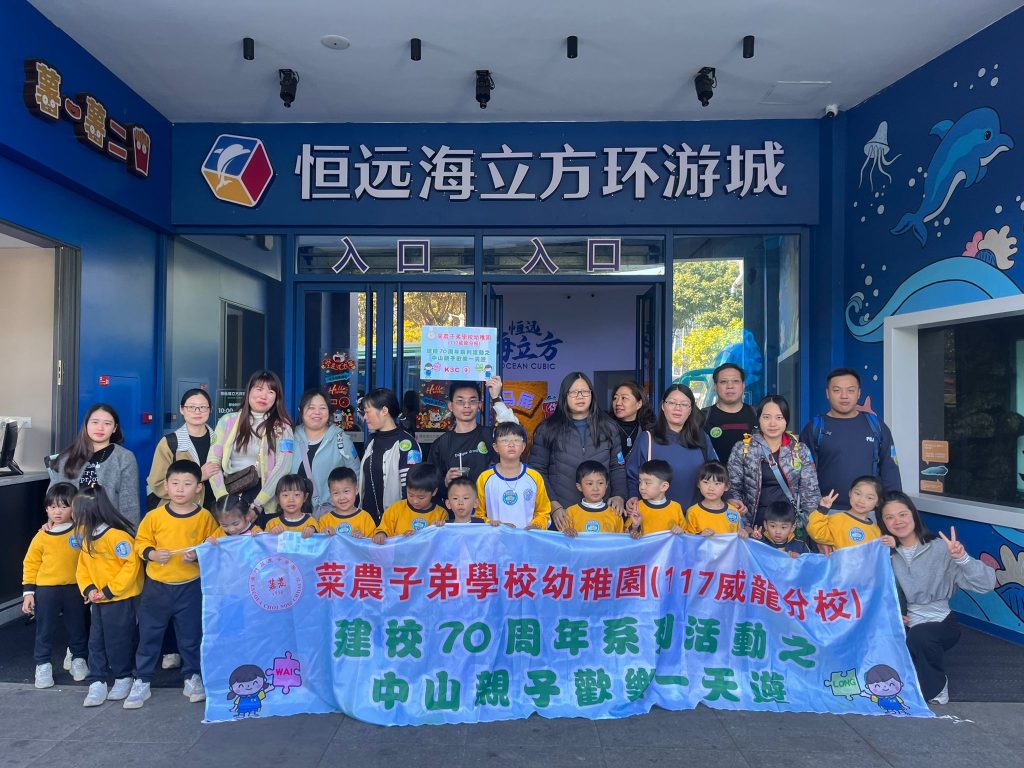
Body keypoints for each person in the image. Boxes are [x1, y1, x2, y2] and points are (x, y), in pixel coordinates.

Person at [879, 492, 996, 704]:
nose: (897, 521)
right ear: (883, 523)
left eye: (902, 514)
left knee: (920, 637)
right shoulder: (884, 553)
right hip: (903, 622)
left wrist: (962, 558)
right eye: (889, 517)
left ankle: (937, 687)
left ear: (913, 514)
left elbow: (986, 584)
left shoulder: (941, 548)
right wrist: (892, 613)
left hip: (941, 622)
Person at [124, 460, 219, 710]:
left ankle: (192, 677)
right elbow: (140, 542)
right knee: (149, 634)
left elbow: (214, 543)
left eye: (187, 484)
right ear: (165, 486)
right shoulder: (154, 516)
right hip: (157, 587)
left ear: (199, 488)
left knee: (191, 636)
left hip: (190, 586)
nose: (180, 489)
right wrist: (153, 554)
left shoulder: (204, 517)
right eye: (175, 483)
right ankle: (142, 679)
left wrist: (198, 555)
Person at [73, 485, 143, 708]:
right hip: (98, 601)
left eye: (76, 510)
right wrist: (89, 589)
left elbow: (131, 566)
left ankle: (123, 677)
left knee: (119, 640)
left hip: (119, 600)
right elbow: (82, 568)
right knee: (96, 641)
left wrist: (110, 590)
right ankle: (98, 680)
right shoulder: (87, 538)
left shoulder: (117, 537)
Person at [533, 372, 626, 527]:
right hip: (563, 513)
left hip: (601, 512)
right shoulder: (547, 429)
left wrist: (619, 496)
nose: (580, 396)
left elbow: (617, 467)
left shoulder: (608, 426)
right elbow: (537, 470)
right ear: (564, 396)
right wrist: (553, 505)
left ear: (592, 395)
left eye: (585, 391)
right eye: (574, 392)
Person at [799, 368, 901, 509]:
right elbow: (803, 476)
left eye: (851, 390)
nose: (844, 396)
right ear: (827, 393)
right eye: (837, 390)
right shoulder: (814, 428)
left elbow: (890, 471)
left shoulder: (876, 426)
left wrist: (894, 507)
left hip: (869, 513)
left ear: (859, 393)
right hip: (828, 512)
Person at [22, 482, 88, 688]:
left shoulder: (82, 531)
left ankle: (79, 659)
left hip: (75, 588)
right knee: (45, 629)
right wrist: (28, 592)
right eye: (52, 507)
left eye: (63, 506)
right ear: (46, 509)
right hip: (47, 590)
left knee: (78, 627)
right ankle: (43, 664)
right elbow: (30, 563)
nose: (57, 512)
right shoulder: (42, 536)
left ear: (74, 507)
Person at [727, 394, 820, 531]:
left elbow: (810, 493)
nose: (772, 423)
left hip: (789, 528)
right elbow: (733, 490)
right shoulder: (742, 449)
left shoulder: (799, 450)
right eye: (766, 417)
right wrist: (744, 525)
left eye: (779, 417)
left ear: (786, 420)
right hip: (753, 528)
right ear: (759, 419)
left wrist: (804, 527)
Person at [209, 370, 295, 517]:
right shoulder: (227, 421)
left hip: (265, 498)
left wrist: (258, 504)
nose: (264, 396)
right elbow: (213, 462)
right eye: (259, 389)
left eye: (271, 392)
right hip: (231, 492)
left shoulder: (283, 427)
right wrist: (223, 498)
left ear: (277, 397)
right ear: (249, 391)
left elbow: (283, 467)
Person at [626, 384, 718, 515]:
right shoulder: (647, 438)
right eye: (672, 402)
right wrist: (633, 496)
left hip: (695, 517)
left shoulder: (701, 438)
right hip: (656, 516)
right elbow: (632, 475)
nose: (677, 408)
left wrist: (730, 497)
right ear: (663, 406)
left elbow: (716, 473)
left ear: (691, 409)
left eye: (684, 404)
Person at [48, 403, 140, 524]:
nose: (100, 428)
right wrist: (52, 522)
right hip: (70, 528)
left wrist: (129, 533)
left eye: (107, 423)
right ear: (86, 425)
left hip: (109, 528)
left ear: (114, 428)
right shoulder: (66, 458)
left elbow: (129, 504)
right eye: (95, 422)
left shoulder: (124, 458)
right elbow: (53, 497)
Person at [429, 377, 518, 496]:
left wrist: (496, 398)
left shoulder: (491, 435)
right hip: (459, 507)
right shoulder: (441, 444)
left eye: (472, 401)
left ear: (479, 405)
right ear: (450, 406)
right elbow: (430, 485)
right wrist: (445, 481)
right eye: (460, 401)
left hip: (491, 505)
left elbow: (515, 431)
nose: (467, 405)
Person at [358, 388, 422, 524]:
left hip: (394, 523)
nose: (365, 417)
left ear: (384, 411)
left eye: (368, 412)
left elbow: (410, 489)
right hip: (367, 522)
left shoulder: (406, 444)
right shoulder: (371, 440)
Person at [292, 389, 360, 517]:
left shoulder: (341, 439)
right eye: (311, 408)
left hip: (330, 516)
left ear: (329, 412)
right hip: (294, 515)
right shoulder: (290, 437)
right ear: (301, 411)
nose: (317, 412)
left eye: (322, 408)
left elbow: (357, 476)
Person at [146, 388, 216, 512]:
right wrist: (198, 476)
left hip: (216, 512)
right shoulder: (169, 443)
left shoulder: (220, 440)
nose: (197, 411)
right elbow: (157, 484)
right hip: (180, 514)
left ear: (210, 410)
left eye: (203, 407)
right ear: (182, 409)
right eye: (191, 407)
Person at [477, 422, 551, 529]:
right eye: (505, 440)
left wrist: (537, 525)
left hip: (526, 538)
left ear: (523, 446)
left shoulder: (535, 477)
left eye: (516, 440)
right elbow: (478, 515)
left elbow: (544, 513)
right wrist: (495, 524)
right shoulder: (485, 478)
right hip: (495, 538)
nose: (511, 444)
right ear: (495, 447)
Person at [808, 476, 894, 552]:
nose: (861, 500)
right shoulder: (837, 519)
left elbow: (879, 555)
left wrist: (890, 544)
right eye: (858, 493)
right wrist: (822, 510)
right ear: (850, 493)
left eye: (869, 498)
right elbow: (817, 534)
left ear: (878, 502)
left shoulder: (876, 530)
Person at [372, 463, 446, 543]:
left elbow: (443, 541)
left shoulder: (441, 514)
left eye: (421, 497)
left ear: (434, 492)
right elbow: (383, 529)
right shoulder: (396, 509)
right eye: (411, 495)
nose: (415, 501)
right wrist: (381, 534)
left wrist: (435, 529)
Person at [702, 363, 758, 463]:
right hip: (714, 473)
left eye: (735, 381)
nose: (730, 386)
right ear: (715, 386)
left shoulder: (758, 415)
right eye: (723, 382)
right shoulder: (702, 417)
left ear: (743, 385)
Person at [684, 461, 748, 537]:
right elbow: (688, 539)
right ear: (698, 484)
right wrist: (700, 535)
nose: (711, 488)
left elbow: (740, 533)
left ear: (726, 486)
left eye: (717, 483)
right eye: (706, 482)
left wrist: (743, 534)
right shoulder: (692, 512)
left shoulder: (733, 511)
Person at [562, 461, 625, 536]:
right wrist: (566, 531)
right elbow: (562, 539)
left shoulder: (615, 513)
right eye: (590, 484)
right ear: (579, 487)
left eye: (600, 483)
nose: (595, 488)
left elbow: (621, 540)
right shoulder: (570, 513)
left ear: (606, 485)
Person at [629, 459, 685, 535]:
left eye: (647, 483)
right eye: (640, 482)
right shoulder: (637, 506)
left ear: (664, 486)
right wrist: (635, 526)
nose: (641, 487)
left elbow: (686, 534)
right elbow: (627, 535)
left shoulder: (676, 507)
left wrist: (680, 531)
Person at [319, 467, 377, 538]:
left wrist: (363, 538)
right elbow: (318, 543)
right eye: (336, 493)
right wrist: (324, 535)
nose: (342, 497)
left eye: (346, 491)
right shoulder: (325, 521)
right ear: (330, 493)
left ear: (356, 490)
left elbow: (372, 543)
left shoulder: (365, 518)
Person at [609, 381, 655, 461]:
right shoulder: (605, 427)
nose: (618, 403)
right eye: (615, 398)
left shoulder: (649, 430)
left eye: (624, 398)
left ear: (639, 404)